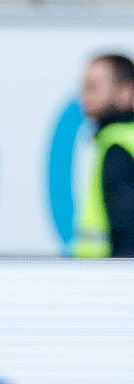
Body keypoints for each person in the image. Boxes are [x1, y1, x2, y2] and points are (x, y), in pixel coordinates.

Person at [75, 53, 134, 257]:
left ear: (127, 91)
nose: (85, 96)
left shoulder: (118, 147)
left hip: (111, 282)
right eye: (84, 87)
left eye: (94, 87)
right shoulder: (117, 140)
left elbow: (126, 233)